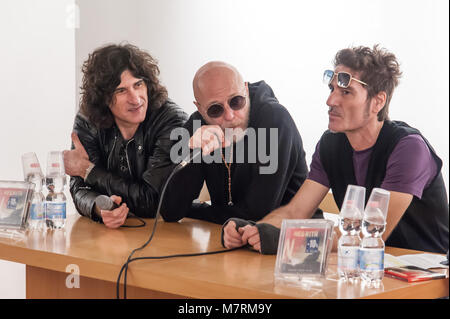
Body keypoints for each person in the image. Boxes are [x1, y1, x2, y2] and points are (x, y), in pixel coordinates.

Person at [223, 45, 449, 254]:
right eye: (331, 89)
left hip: (426, 280)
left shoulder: (409, 148)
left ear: (378, 101)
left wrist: (287, 238)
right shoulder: (330, 145)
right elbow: (295, 212)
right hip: (365, 273)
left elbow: (370, 234)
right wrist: (252, 230)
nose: (330, 100)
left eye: (346, 92)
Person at [160, 61, 309, 224]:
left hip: (290, 238)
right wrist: (193, 151)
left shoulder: (275, 119)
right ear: (200, 109)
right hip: (229, 237)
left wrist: (198, 210)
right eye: (215, 109)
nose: (230, 116)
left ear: (245, 89)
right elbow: (171, 211)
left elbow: (257, 214)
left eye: (236, 101)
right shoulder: (198, 125)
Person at [63, 43, 187, 228]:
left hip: (163, 232)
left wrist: (88, 170)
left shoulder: (172, 122)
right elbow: (80, 187)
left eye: (138, 85)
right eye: (121, 91)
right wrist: (100, 207)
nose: (136, 99)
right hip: (112, 236)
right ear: (103, 98)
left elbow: (153, 201)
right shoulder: (88, 119)